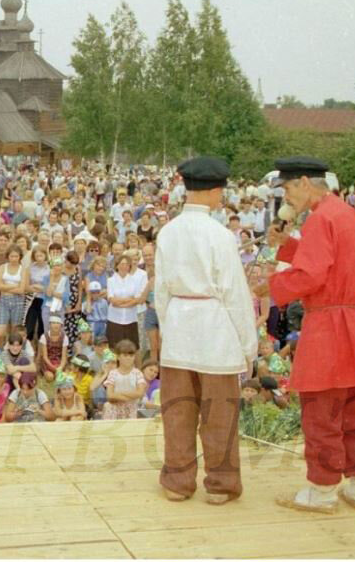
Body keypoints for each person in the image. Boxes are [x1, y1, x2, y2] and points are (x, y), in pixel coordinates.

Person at [259, 157, 355, 514]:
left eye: (286, 189)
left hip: (328, 327)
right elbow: (334, 267)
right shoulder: (346, 214)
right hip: (354, 323)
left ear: (303, 182)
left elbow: (311, 277)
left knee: (321, 412)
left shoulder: (319, 218)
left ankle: (322, 490)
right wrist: (289, 245)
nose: (287, 196)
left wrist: (269, 285)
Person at [154, 156, 256, 505]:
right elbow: (235, 293)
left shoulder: (167, 232)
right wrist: (248, 344)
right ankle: (221, 484)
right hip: (216, 328)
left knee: (178, 411)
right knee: (220, 412)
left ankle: (177, 482)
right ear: (214, 191)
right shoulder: (221, 236)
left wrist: (170, 330)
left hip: (180, 325)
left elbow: (161, 292)